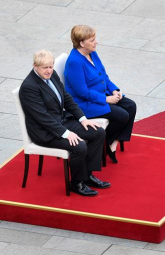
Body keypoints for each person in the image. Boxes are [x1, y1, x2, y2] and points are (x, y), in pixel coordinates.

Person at [19, 49, 110, 196]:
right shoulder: (29, 88)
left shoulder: (52, 74)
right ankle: (77, 183)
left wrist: (83, 119)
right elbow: (42, 118)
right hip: (45, 131)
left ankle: (88, 175)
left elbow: (66, 98)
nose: (49, 71)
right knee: (79, 146)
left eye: (51, 66)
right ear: (35, 66)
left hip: (61, 120)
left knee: (98, 132)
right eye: (45, 68)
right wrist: (66, 134)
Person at [64, 25, 136, 164]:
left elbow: (104, 76)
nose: (96, 42)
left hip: (100, 95)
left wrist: (114, 90)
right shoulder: (74, 62)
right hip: (85, 104)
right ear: (81, 43)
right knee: (122, 115)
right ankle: (107, 142)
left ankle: (112, 141)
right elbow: (82, 92)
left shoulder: (92, 53)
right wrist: (106, 99)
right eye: (92, 40)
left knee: (131, 106)